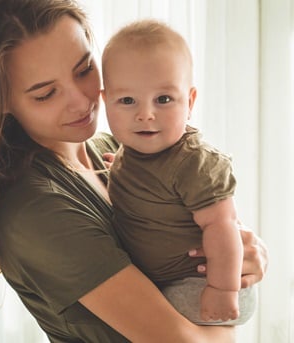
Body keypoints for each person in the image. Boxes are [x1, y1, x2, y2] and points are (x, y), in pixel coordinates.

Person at [0, 0, 268, 342]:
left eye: (84, 69)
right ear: (0, 99)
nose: (82, 101)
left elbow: (209, 226)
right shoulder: (38, 210)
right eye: (46, 94)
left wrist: (245, 256)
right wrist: (226, 301)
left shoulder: (117, 150)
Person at [101, 19, 257, 325]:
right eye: (127, 100)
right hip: (167, 280)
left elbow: (223, 226)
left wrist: (221, 288)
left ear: (190, 101)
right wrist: (118, 170)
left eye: (163, 99)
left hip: (201, 282)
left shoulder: (193, 163)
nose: (145, 114)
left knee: (148, 318)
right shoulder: (130, 153)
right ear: (105, 102)